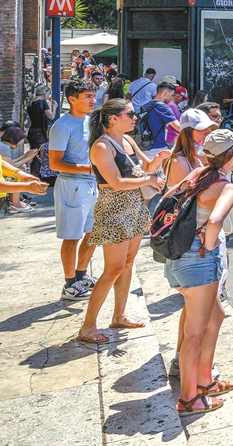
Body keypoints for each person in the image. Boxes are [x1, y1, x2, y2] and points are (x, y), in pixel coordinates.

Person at [164, 129, 233, 414]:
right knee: (195, 333)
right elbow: (214, 221)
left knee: (216, 314)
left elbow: (167, 198)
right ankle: (189, 397)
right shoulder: (227, 186)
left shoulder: (196, 174)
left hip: (178, 258)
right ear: (232, 154)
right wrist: (207, 246)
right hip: (198, 260)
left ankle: (205, 380)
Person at [75, 98, 169, 343]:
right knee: (113, 269)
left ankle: (119, 315)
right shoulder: (102, 147)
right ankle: (87, 326)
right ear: (113, 118)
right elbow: (115, 182)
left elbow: (146, 165)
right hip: (114, 211)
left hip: (134, 208)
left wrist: (160, 158)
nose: (135, 117)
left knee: (127, 264)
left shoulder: (126, 140)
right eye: (130, 114)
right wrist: (148, 180)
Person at [50, 79, 100, 302]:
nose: (93, 100)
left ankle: (81, 275)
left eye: (93, 95)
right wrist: (90, 169)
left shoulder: (91, 122)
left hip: (92, 184)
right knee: (72, 236)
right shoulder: (62, 126)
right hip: (71, 185)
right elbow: (55, 163)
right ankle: (70, 284)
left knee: (93, 233)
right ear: (72, 99)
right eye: (87, 96)